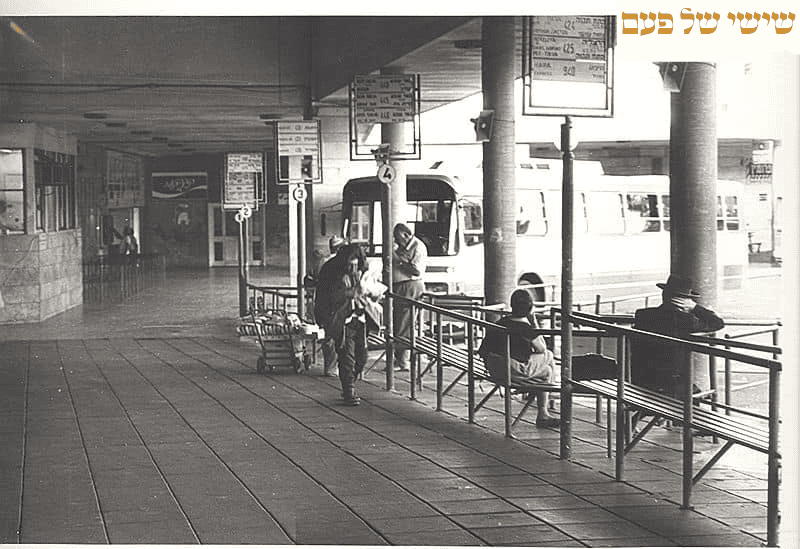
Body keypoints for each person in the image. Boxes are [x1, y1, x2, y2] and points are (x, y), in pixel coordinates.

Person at [632, 274, 725, 399]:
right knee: (698, 396)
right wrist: (695, 307)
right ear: (684, 302)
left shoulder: (643, 315)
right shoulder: (686, 320)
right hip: (671, 385)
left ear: (664, 295)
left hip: (640, 379)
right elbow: (718, 323)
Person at [478, 289, 559, 428]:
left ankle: (545, 406)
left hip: (494, 368)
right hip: (512, 370)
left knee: (546, 371)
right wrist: (534, 323)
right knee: (549, 357)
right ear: (529, 309)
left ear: (512, 305)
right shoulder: (525, 328)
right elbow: (542, 349)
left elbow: (483, 349)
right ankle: (546, 408)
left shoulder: (500, 323)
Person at [315, 242, 370, 405]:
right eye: (352, 262)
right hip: (339, 317)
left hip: (358, 316)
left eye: (357, 264)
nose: (355, 267)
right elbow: (328, 296)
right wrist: (349, 293)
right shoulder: (331, 270)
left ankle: (351, 381)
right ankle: (349, 391)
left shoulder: (358, 270)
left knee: (362, 355)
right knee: (347, 354)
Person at [390, 223, 427, 372]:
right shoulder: (402, 247)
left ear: (406, 234)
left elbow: (416, 270)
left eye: (398, 237)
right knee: (398, 322)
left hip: (409, 285)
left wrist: (399, 260)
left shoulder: (417, 247)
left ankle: (403, 361)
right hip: (400, 286)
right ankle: (399, 358)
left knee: (404, 323)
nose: (396, 241)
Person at [311, 236, 348, 377]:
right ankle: (333, 367)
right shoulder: (337, 263)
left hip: (323, 302)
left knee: (329, 334)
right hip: (333, 303)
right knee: (336, 335)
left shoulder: (323, 261)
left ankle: (331, 366)